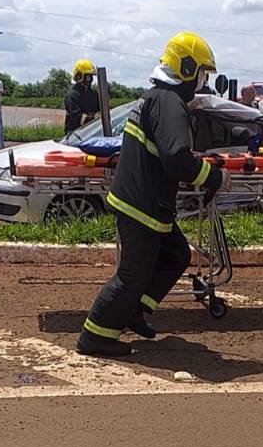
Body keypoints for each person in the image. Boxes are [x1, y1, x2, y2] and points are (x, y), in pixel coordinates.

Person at [76, 31, 231, 357]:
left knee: (176, 255)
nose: (203, 82)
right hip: (141, 206)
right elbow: (176, 158)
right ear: (188, 69)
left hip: (147, 204)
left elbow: (168, 155)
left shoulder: (155, 98)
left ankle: (134, 310)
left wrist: (202, 170)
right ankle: (95, 337)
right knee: (132, 276)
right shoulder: (168, 102)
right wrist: (213, 176)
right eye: (202, 74)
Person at [64, 59, 99, 134]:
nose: (90, 80)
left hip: (92, 133)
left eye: (91, 76)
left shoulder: (94, 94)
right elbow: (76, 119)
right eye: (88, 76)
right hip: (74, 135)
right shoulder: (72, 95)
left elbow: (101, 110)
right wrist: (94, 118)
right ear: (79, 76)